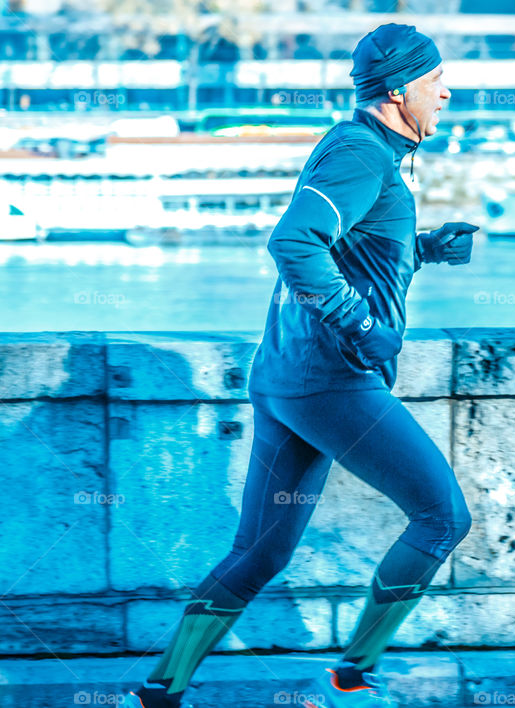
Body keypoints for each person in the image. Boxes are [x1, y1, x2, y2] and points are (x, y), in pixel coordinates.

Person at [123, 23, 479, 708]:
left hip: (288, 378)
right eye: (437, 82)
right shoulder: (359, 152)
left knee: (260, 551)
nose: (448, 91)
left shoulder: (364, 149)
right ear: (399, 88)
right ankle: (349, 681)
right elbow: (294, 243)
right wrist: (362, 323)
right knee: (441, 518)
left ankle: (161, 690)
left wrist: (424, 247)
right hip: (330, 382)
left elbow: (345, 246)